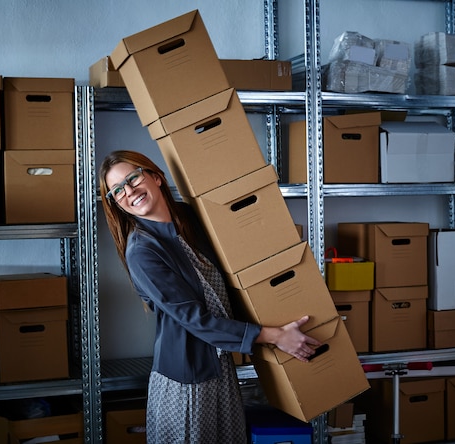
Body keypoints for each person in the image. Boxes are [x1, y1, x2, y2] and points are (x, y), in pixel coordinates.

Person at [99, 150, 320, 444]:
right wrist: (275, 335)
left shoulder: (191, 218)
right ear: (117, 204)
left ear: (155, 176)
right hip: (187, 380)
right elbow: (195, 320)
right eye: (118, 190)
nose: (129, 191)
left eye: (133, 178)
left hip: (220, 368)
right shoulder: (142, 250)